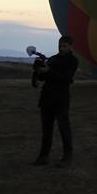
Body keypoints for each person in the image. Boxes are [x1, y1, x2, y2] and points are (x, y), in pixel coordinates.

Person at [33, 35, 78, 167]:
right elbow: (42, 78)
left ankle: (67, 157)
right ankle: (43, 156)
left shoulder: (73, 61)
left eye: (64, 46)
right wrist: (38, 71)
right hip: (47, 98)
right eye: (60, 46)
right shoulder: (52, 59)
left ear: (70, 46)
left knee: (64, 128)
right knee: (46, 129)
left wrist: (49, 71)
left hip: (61, 99)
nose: (61, 48)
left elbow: (66, 79)